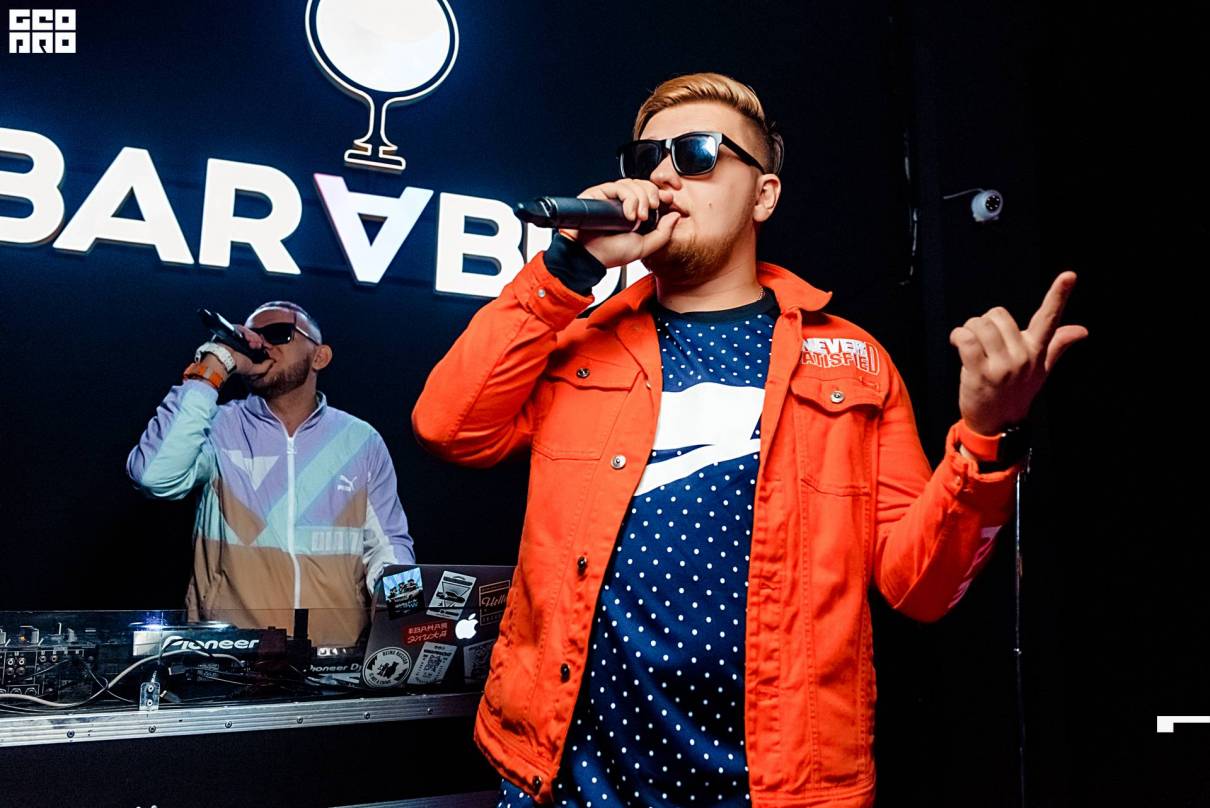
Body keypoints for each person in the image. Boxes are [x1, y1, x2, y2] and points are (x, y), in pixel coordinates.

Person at [412, 73, 1086, 807]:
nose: (664, 176)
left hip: (771, 788)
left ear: (763, 195)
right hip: (570, 782)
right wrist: (568, 267)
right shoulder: (577, 342)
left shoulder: (854, 362)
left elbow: (918, 589)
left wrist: (987, 435)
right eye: (648, 158)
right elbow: (449, 429)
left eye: (697, 154)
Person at [128, 301, 415, 647]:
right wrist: (214, 363)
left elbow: (388, 546)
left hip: (336, 657)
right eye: (253, 335)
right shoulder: (217, 425)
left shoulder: (361, 440)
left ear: (320, 356)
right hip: (231, 658)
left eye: (279, 333)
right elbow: (154, 476)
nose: (261, 343)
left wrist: (407, 624)